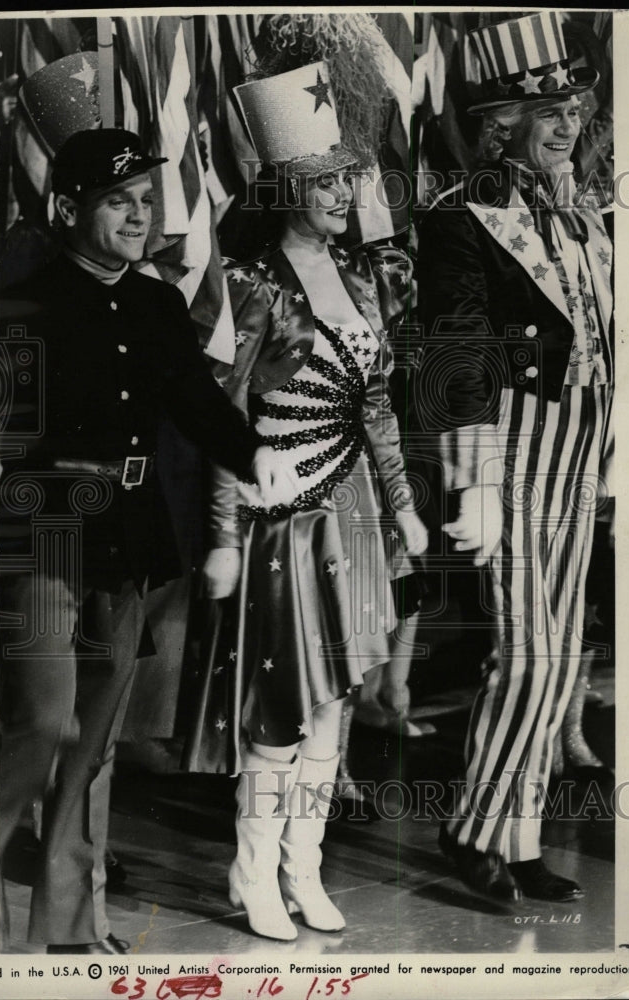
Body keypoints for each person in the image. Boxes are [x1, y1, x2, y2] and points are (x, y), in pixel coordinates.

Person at [0, 127, 290, 954]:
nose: (137, 216)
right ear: (70, 208)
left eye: (144, 201)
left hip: (130, 534)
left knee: (91, 742)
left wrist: (254, 450)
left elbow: (196, 402)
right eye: (117, 201)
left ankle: (71, 926)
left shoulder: (158, 303)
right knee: (41, 723)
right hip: (46, 528)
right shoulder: (25, 296)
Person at [201, 62, 428, 940]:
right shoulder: (249, 284)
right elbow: (224, 416)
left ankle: (305, 868)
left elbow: (371, 400)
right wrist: (223, 534)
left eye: (349, 177)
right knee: (283, 704)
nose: (344, 194)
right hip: (284, 516)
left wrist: (403, 503)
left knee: (339, 699)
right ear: (287, 185)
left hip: (357, 509)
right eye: (326, 180)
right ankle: (251, 871)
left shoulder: (365, 276)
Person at [417, 11, 613, 904]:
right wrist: (476, 475)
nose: (566, 123)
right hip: (517, 441)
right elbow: (454, 345)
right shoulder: (464, 216)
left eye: (571, 106)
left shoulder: (584, 214)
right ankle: (471, 828)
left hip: (585, 438)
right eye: (545, 111)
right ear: (501, 123)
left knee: (565, 654)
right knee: (526, 653)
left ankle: (519, 834)